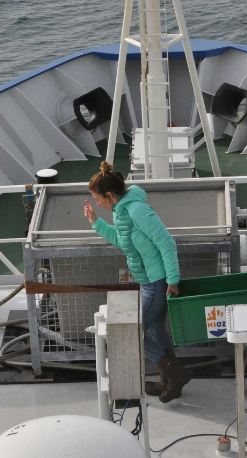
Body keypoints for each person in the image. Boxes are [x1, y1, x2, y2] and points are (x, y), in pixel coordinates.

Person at [84, 161, 191, 403]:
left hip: (157, 284)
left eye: (98, 199)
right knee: (155, 329)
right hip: (148, 282)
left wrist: (172, 281)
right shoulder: (121, 212)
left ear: (109, 195)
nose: (97, 204)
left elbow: (167, 243)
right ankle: (170, 378)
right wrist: (95, 222)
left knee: (130, 335)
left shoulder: (137, 211)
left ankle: (176, 373)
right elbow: (122, 241)